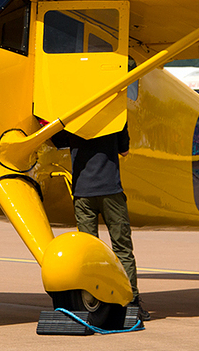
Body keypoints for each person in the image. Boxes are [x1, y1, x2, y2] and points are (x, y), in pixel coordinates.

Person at [51, 124, 149, 321]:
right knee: (122, 249)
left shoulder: (71, 118)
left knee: (88, 251)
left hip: (82, 193)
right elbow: (124, 150)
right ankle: (131, 302)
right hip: (110, 190)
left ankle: (93, 298)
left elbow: (56, 141)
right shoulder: (116, 117)